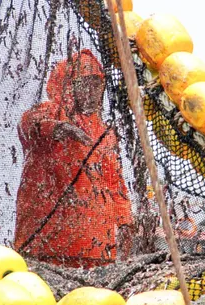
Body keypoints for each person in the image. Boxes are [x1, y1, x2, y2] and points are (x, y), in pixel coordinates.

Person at [14, 49, 133, 269]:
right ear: (69, 85)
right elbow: (29, 124)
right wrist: (59, 128)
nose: (93, 92)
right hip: (46, 244)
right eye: (85, 84)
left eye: (97, 84)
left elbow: (115, 182)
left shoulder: (105, 132)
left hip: (97, 248)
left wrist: (125, 220)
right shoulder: (49, 111)